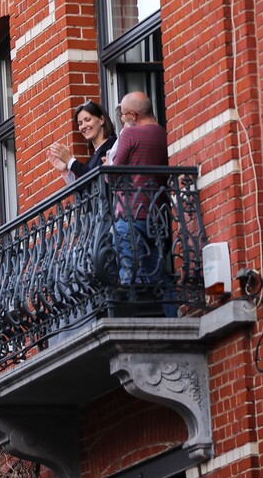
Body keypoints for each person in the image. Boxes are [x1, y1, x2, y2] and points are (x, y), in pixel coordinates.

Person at [110, 91, 175, 315]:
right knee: (158, 269)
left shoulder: (130, 135)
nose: (123, 119)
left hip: (130, 211)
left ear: (134, 115)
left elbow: (113, 175)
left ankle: (139, 315)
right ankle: (170, 314)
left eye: (124, 115)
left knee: (131, 270)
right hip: (158, 212)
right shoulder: (163, 134)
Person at [46, 100, 117, 184]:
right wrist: (66, 172)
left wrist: (70, 161)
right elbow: (87, 189)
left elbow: (95, 179)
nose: (83, 126)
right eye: (80, 123)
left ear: (101, 120)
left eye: (87, 120)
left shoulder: (114, 144)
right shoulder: (90, 161)